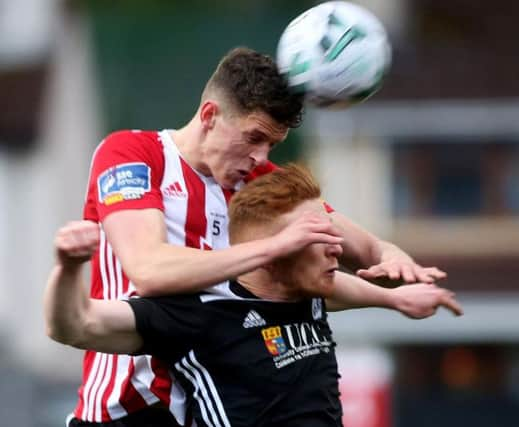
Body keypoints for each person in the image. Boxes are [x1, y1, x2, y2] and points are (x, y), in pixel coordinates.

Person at [58, 46, 448, 426]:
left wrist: (394, 261)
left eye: (272, 145)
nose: (261, 157)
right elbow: (148, 269)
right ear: (210, 115)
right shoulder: (134, 154)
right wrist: (275, 247)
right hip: (126, 408)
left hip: (206, 408)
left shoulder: (259, 183)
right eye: (254, 137)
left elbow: (361, 249)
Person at [45, 165, 463, 427]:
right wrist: (68, 267)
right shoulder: (202, 312)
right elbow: (75, 325)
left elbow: (338, 288)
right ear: (276, 254)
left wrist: (396, 299)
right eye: (318, 237)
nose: (338, 249)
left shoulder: (308, 291)